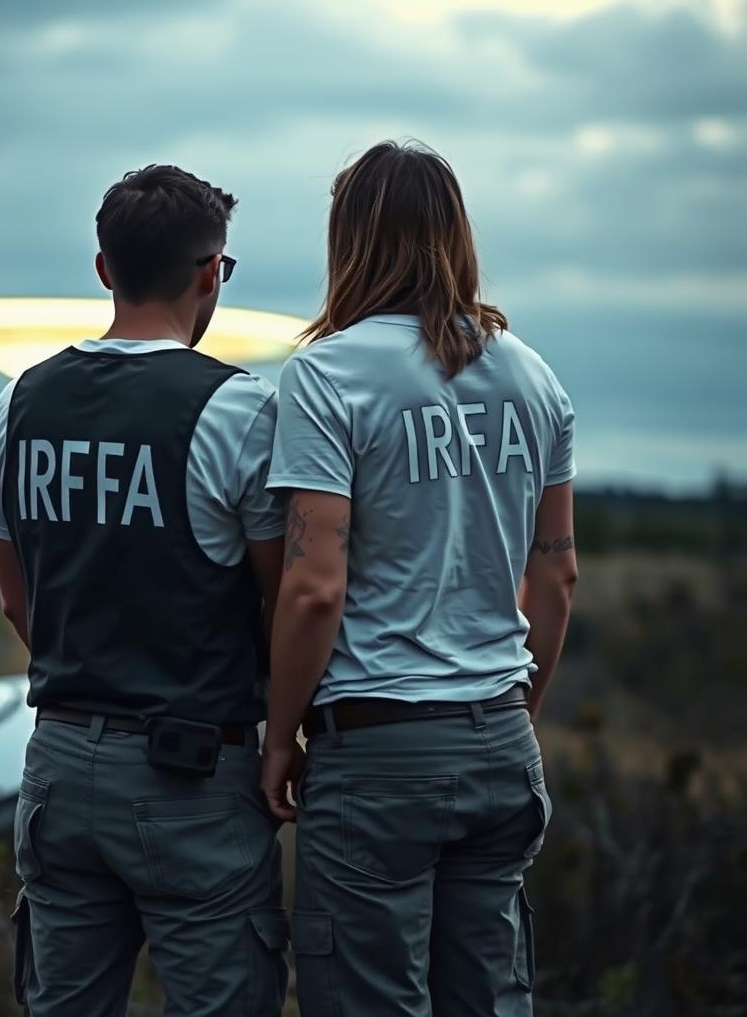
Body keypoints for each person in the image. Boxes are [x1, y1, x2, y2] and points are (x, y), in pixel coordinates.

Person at [261, 141, 578, 1016]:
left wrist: (281, 736)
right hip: (500, 742)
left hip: (376, 752)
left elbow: (314, 584)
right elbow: (556, 577)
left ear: (350, 240)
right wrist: (517, 710)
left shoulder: (328, 374)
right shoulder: (533, 375)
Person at [0, 164, 289, 1016]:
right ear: (209, 272)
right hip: (192, 773)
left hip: (57, 763)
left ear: (104, 269)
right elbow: (284, 599)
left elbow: (18, 600)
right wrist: (282, 736)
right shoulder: (240, 409)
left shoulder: (18, 403)